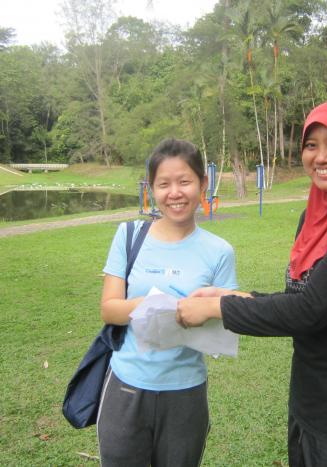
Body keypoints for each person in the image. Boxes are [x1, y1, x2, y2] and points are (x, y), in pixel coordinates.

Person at [176, 100, 327, 466]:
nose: (321, 157)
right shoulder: (313, 216)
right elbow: (301, 298)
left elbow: (311, 310)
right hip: (312, 409)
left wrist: (216, 307)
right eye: (311, 145)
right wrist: (229, 294)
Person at [97, 138, 238, 466]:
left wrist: (202, 311)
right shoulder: (129, 235)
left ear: (203, 184)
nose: (175, 193)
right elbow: (109, 309)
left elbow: (228, 315)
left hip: (185, 392)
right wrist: (152, 306)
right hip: (126, 387)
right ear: (152, 189)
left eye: (185, 181)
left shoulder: (219, 251)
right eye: (164, 184)